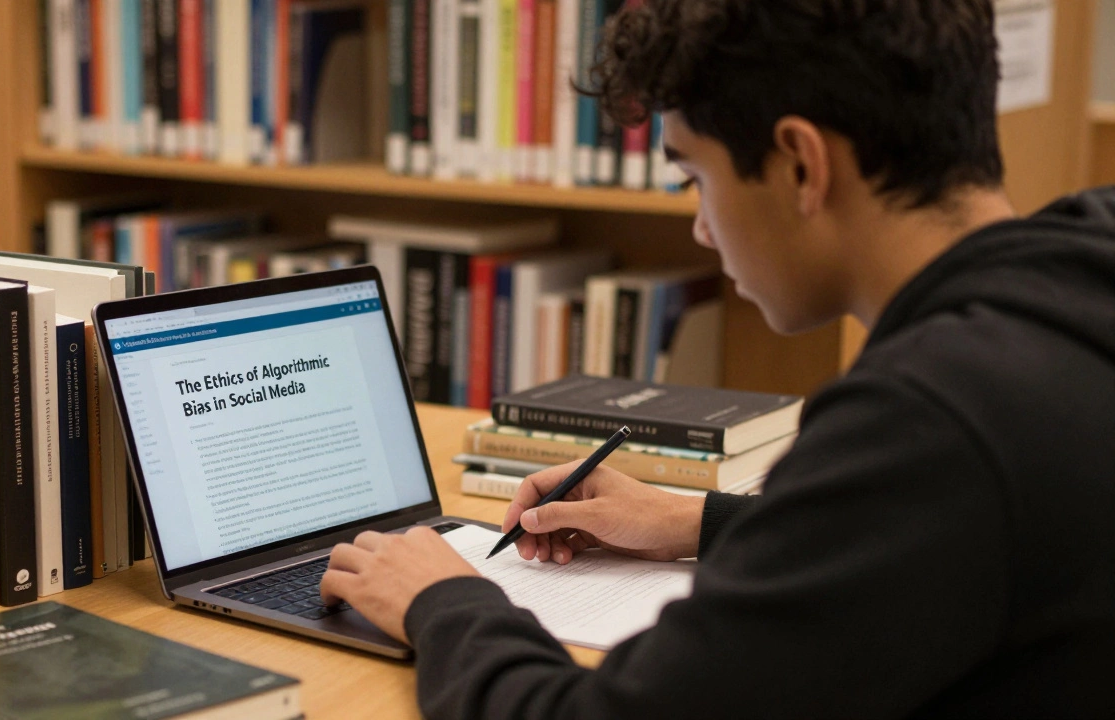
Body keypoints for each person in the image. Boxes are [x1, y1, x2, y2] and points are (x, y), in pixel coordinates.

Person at [319, 1, 1115, 716]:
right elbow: (924, 539)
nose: (701, 227)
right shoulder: (1081, 262)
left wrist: (446, 598)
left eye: (696, 175)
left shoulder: (929, 418)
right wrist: (694, 520)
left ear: (801, 164)